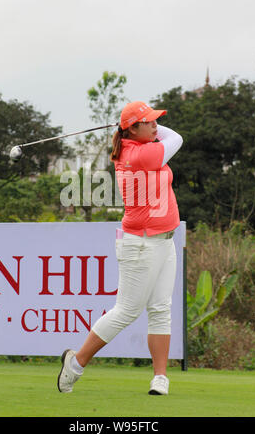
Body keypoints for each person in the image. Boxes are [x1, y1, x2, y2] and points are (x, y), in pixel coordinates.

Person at [57, 101, 183, 395]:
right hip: (141, 244)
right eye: (148, 122)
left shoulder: (139, 145)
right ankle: (76, 363)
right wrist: (130, 128)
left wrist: (134, 125)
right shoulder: (139, 154)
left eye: (156, 121)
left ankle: (160, 378)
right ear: (133, 130)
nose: (155, 126)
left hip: (165, 241)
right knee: (127, 311)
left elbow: (161, 135)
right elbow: (176, 138)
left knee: (160, 308)